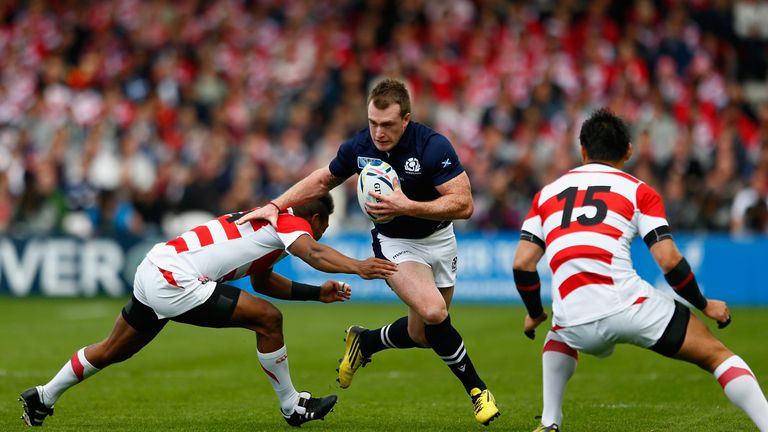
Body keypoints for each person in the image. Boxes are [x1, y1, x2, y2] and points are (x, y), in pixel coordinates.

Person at [235, 78, 500, 425]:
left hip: (440, 240)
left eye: (388, 124)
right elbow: (321, 179)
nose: (379, 132)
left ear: (406, 119)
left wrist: (407, 205)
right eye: (373, 122)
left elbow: (464, 204)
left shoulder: (432, 146)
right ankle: (478, 391)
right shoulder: (360, 146)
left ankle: (366, 341)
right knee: (435, 313)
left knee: (423, 334)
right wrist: (275, 204)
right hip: (395, 244)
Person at [19, 194, 397, 427]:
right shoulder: (291, 222)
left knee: (112, 349)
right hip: (175, 279)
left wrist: (317, 294)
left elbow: (265, 282)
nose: (320, 234)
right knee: (268, 319)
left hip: (155, 265)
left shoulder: (266, 223)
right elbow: (312, 253)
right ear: (315, 219)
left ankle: (43, 396)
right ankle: (291, 406)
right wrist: (358, 266)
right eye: (322, 227)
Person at [512, 109, 768, 431]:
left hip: (574, 322)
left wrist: (534, 312)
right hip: (629, 308)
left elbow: (522, 263)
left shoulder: (546, 194)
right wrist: (705, 305)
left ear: (583, 151)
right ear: (629, 151)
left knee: (558, 332)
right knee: (716, 356)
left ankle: (550, 421)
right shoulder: (638, 191)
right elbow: (669, 260)